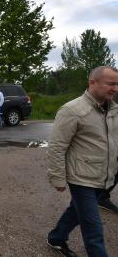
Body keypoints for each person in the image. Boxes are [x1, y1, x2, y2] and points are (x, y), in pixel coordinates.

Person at [47, 66, 118, 257]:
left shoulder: (113, 109)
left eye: (117, 84)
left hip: (103, 175)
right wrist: (57, 178)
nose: (116, 88)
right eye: (111, 83)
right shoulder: (72, 110)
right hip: (81, 179)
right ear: (92, 82)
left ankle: (56, 237)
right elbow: (57, 146)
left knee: (76, 211)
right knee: (93, 231)